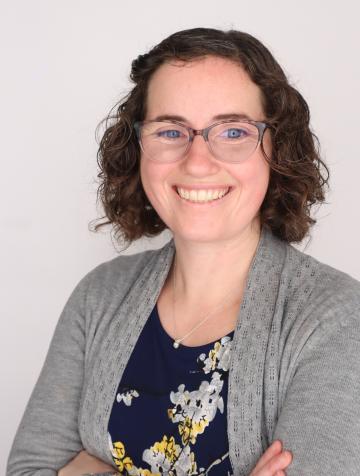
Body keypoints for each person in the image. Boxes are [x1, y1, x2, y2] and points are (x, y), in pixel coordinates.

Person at [6, 27, 360, 476]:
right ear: (138, 148)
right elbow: (27, 468)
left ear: (278, 148)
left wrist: (87, 470)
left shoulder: (337, 318)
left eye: (233, 131)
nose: (197, 161)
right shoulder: (99, 296)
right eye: (171, 130)